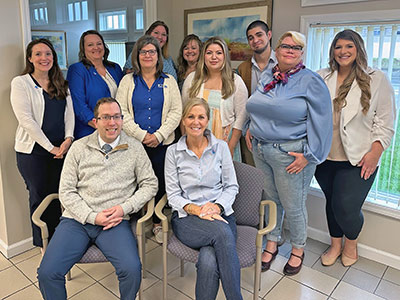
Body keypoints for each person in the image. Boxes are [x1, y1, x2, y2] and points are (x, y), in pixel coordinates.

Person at [37, 97, 158, 300]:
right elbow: (66, 190)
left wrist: (123, 208)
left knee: (131, 269)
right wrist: (92, 217)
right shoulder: (78, 148)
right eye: (106, 117)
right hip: (77, 220)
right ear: (95, 121)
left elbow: (150, 184)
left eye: (117, 117)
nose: (112, 123)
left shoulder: (135, 148)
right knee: (47, 273)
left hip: (115, 221)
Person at [245, 31, 332, 275]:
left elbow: (323, 122)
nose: (290, 50)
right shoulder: (268, 76)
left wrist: (310, 156)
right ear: (277, 50)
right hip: (261, 150)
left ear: (302, 53)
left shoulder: (310, 80)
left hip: (291, 155)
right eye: (286, 46)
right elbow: (257, 106)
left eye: (297, 47)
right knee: (271, 201)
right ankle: (273, 242)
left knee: (293, 206)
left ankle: (298, 249)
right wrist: (250, 127)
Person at [315, 29, 396, 267]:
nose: (343, 51)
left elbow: (386, 121)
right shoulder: (322, 76)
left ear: (358, 49)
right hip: (325, 157)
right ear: (333, 51)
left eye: (349, 47)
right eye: (338, 47)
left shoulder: (376, 78)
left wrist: (375, 153)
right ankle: (335, 245)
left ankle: (351, 244)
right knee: (331, 201)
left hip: (359, 157)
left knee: (346, 206)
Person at [165, 98, 242, 300]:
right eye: (190, 116)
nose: (195, 122)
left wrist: (216, 207)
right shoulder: (173, 152)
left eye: (201, 117)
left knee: (208, 260)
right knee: (223, 234)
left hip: (220, 214)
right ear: (183, 120)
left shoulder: (222, 148)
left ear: (208, 120)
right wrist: (197, 210)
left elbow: (231, 186)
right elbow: (172, 195)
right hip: (187, 219)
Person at [116, 35, 182, 243]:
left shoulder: (169, 81)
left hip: (163, 144)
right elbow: (122, 112)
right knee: (133, 183)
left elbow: (176, 111)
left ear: (158, 55)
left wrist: (159, 136)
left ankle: (156, 223)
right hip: (135, 143)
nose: (147, 55)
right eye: (143, 51)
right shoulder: (127, 81)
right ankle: (134, 224)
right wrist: (143, 136)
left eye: (152, 51)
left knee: (160, 183)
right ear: (137, 55)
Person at [10, 38, 74, 250]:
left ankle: (60, 239)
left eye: (48, 54)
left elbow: (69, 114)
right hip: (34, 153)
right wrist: (51, 148)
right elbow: (26, 120)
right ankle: (43, 243)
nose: (43, 58)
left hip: (62, 149)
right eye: (38, 54)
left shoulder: (60, 83)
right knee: (39, 196)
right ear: (30, 58)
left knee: (60, 193)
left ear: (53, 58)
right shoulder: (21, 83)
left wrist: (68, 139)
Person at [182, 37, 247, 161]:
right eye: (209, 53)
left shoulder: (235, 81)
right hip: (195, 142)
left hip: (225, 142)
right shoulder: (192, 79)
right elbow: (183, 114)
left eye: (218, 53)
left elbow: (241, 117)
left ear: (225, 56)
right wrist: (187, 140)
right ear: (203, 56)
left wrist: (231, 146)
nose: (214, 57)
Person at [67, 30, 123, 139]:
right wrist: (100, 126)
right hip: (90, 131)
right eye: (90, 45)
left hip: (116, 130)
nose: (96, 47)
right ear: (83, 49)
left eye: (99, 44)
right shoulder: (77, 70)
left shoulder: (115, 68)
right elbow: (79, 105)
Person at [237, 20, 277, 165]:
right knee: (253, 181)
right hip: (251, 135)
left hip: (278, 136)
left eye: (259, 35)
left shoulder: (284, 63)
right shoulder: (243, 69)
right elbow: (242, 104)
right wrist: (246, 129)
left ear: (269, 35)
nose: (255, 40)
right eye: (251, 38)